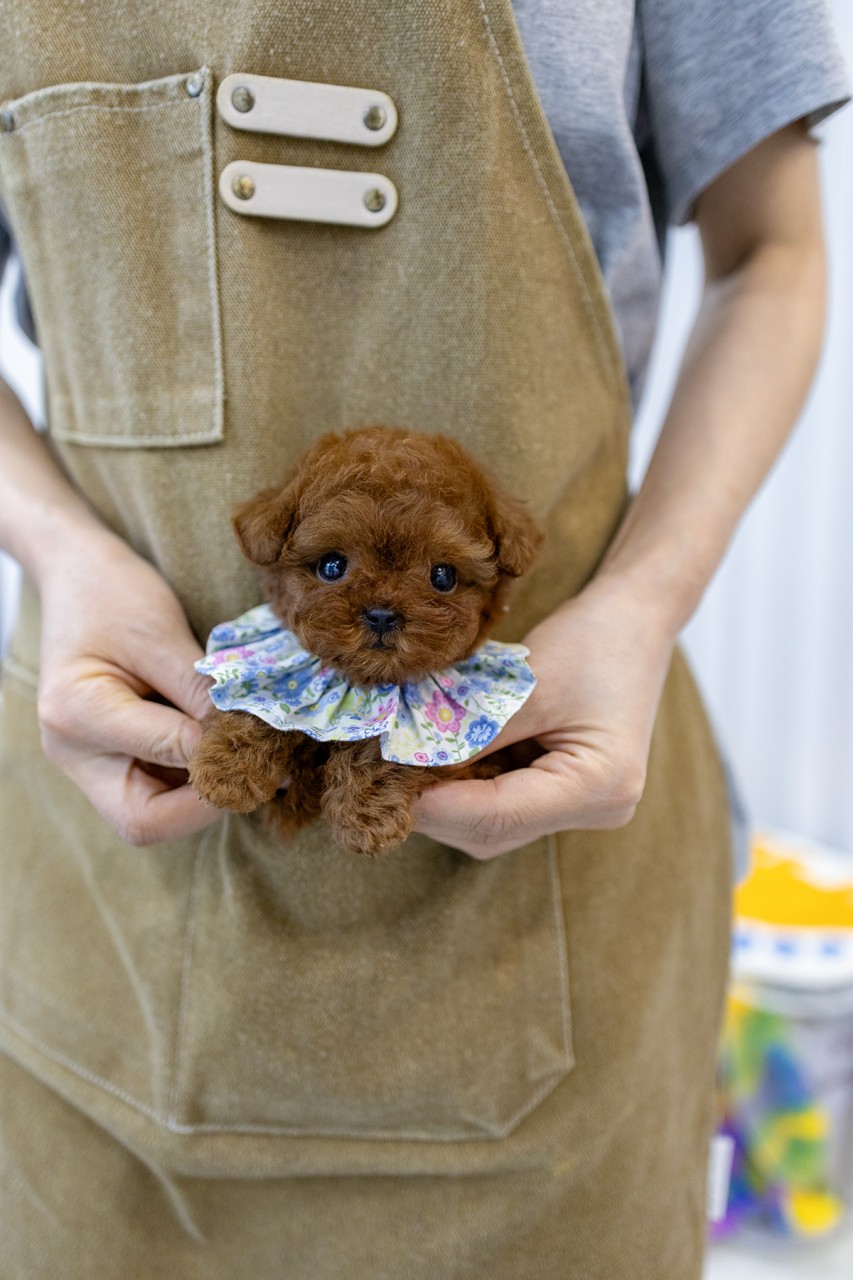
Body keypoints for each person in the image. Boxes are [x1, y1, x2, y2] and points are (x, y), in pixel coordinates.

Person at [0, 2, 848, 1276]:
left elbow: (765, 255)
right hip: (109, 921)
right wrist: (58, 546)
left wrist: (643, 601)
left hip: (536, 901)